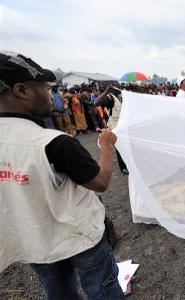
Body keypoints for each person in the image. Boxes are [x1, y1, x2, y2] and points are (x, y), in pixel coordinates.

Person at [0, 51, 124, 298]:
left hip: (35, 241)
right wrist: (107, 146)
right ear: (22, 91)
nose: (50, 94)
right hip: (80, 238)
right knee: (102, 288)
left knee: (59, 293)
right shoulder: (53, 142)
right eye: (45, 87)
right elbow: (101, 182)